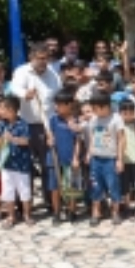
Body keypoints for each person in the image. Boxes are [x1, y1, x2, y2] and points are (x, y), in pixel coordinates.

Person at [11, 42, 62, 213]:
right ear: (31, 57)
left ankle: (51, 201)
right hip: (25, 125)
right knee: (24, 166)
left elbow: (58, 96)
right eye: (40, 58)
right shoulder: (22, 71)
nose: (43, 62)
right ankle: (25, 204)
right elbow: (14, 88)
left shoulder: (53, 74)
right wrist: (25, 94)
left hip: (46, 126)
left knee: (48, 164)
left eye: (45, 58)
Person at [85, 91, 125, 226]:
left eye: (96, 108)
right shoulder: (93, 120)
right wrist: (89, 153)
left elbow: (121, 139)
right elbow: (92, 137)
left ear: (105, 106)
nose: (94, 111)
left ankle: (115, 212)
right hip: (96, 159)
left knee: (113, 186)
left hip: (110, 159)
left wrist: (120, 159)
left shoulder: (116, 119)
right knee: (95, 186)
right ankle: (96, 212)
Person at [0, 95, 34, 228]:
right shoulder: (2, 124)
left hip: (22, 164)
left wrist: (12, 139)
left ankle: (27, 215)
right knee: (8, 191)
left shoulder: (23, 124)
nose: (1, 111)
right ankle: (11, 216)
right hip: (7, 163)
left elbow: (26, 141)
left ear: (12, 110)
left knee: (24, 191)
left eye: (4, 108)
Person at [47, 90, 81, 225]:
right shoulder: (53, 120)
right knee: (55, 188)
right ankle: (56, 212)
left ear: (69, 105)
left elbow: (77, 141)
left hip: (70, 158)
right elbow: (49, 135)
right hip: (54, 159)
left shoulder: (75, 121)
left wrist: (76, 157)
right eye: (56, 104)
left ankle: (72, 211)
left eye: (60, 105)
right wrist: (49, 140)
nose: (57, 107)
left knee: (71, 186)